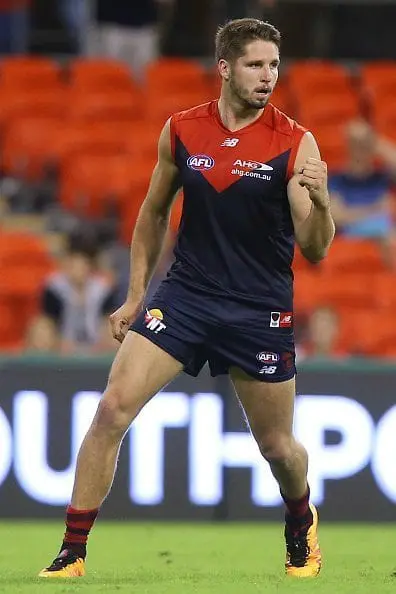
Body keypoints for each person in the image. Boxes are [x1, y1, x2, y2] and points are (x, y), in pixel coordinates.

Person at [39, 18, 335, 579]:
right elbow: (153, 213)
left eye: (274, 65)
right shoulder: (181, 129)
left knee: (278, 449)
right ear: (225, 68)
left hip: (257, 307)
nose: (268, 76)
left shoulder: (295, 141)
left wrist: (321, 204)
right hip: (186, 296)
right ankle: (71, 553)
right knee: (110, 410)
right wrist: (134, 296)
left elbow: (315, 249)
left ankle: (300, 521)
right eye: (255, 64)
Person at [329, 120, 394, 239]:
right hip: (352, 239)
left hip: (387, 237)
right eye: (355, 145)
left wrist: (375, 142)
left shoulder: (381, 177)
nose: (360, 151)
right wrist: (374, 209)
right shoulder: (336, 180)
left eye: (364, 145)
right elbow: (336, 218)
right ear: (348, 147)